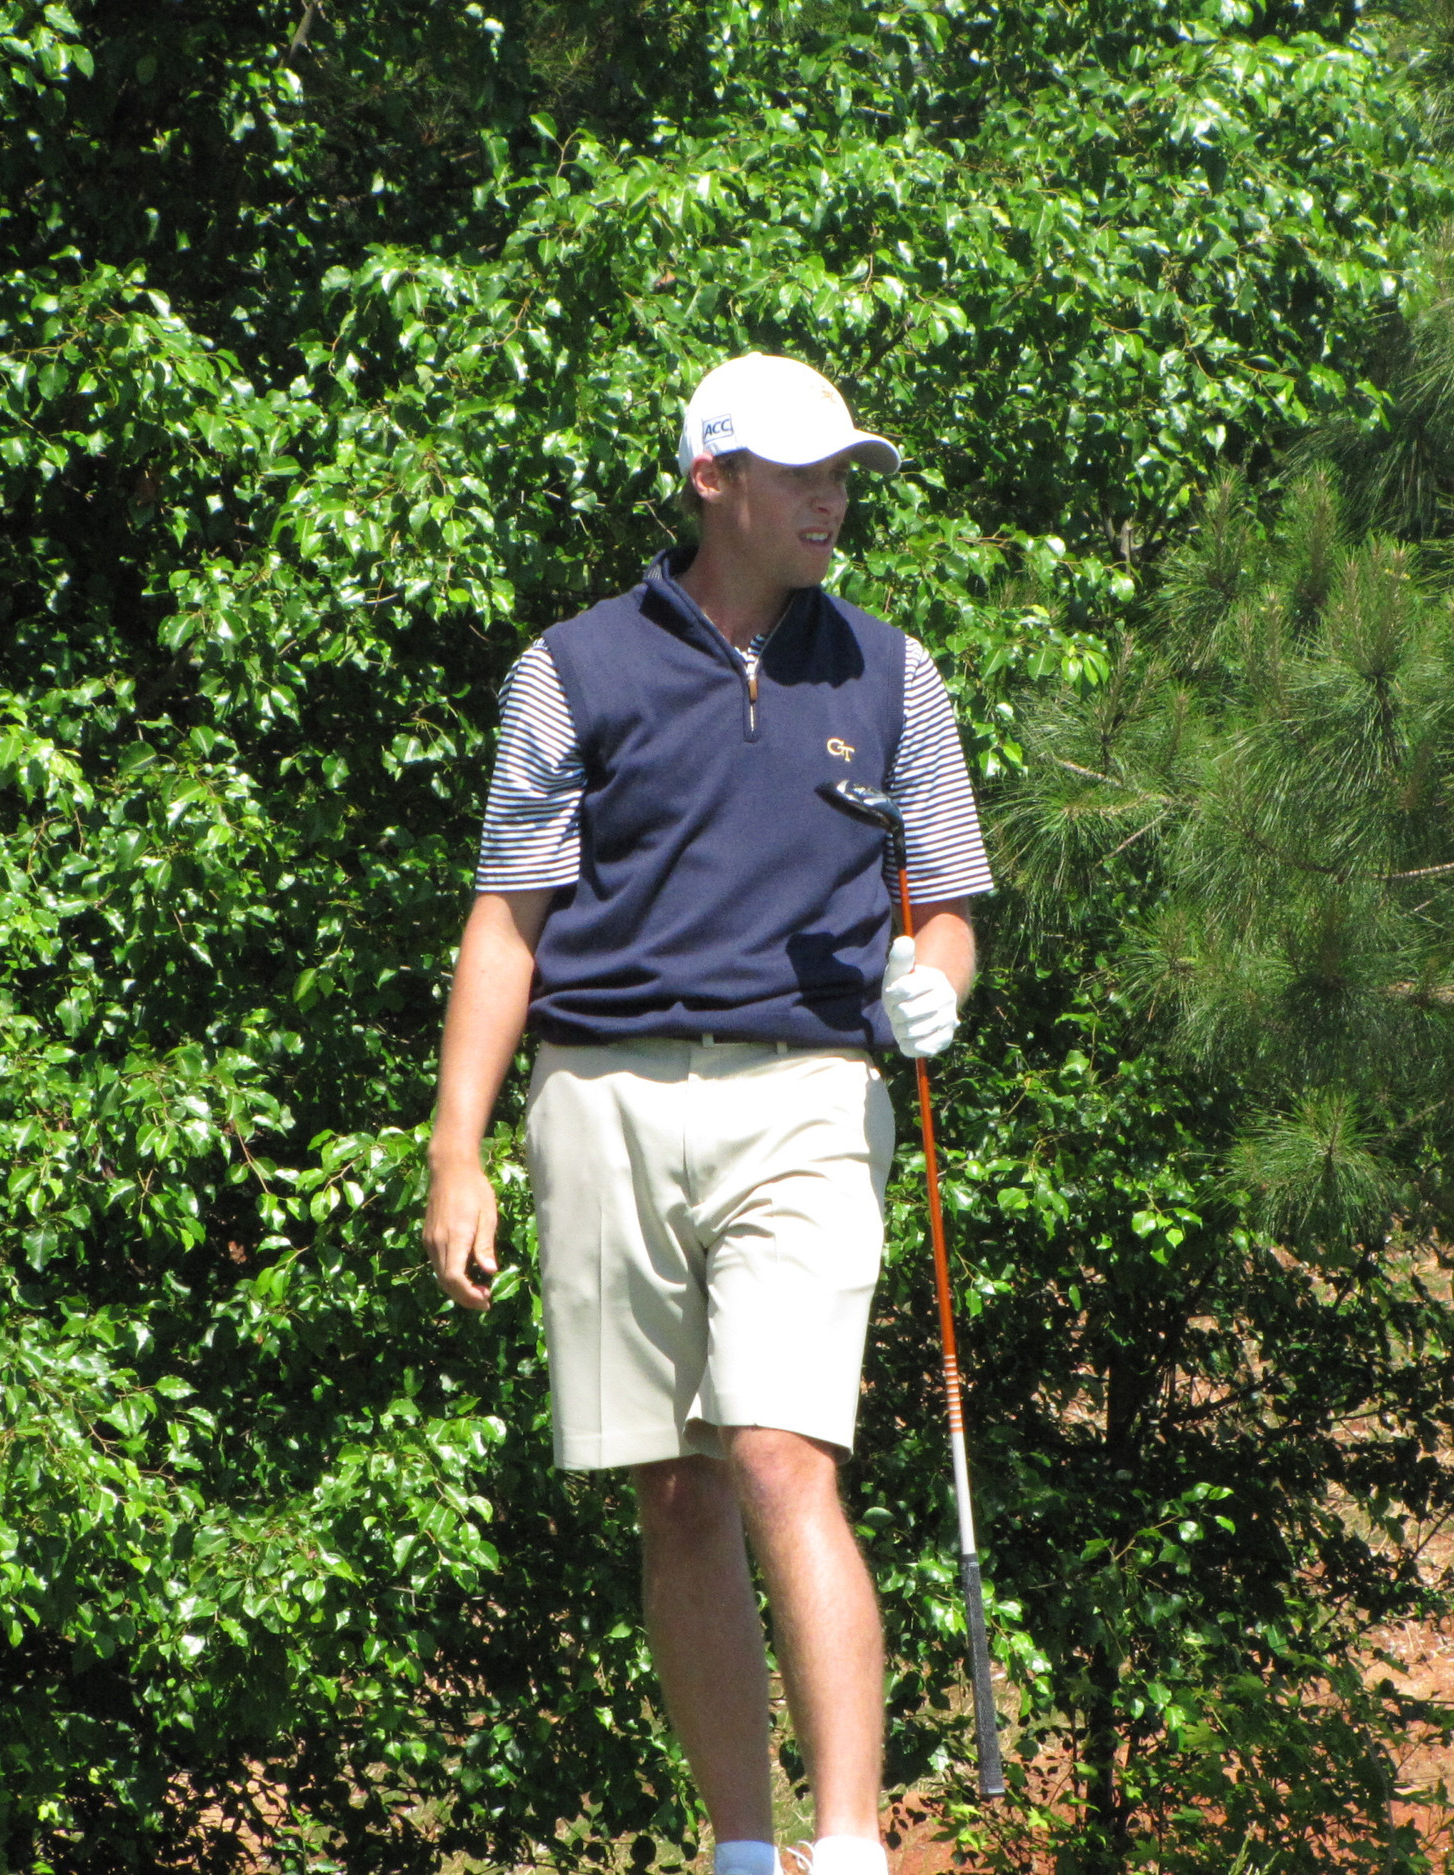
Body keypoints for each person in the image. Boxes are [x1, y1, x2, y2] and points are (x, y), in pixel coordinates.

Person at [422, 352, 993, 1875]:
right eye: (804, 473)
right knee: (677, 1492)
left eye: (846, 472)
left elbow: (948, 907)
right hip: (597, 1096)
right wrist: (455, 1150)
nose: (835, 497)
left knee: (781, 1455)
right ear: (712, 483)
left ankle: (853, 1845)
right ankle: (746, 1849)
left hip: (806, 1093)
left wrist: (938, 977)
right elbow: (509, 921)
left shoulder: (890, 671)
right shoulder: (574, 669)